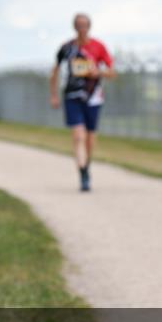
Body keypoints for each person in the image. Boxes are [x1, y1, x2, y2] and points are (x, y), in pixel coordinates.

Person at [50, 13, 116, 191]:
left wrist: (98, 73)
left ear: (89, 27)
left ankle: (87, 165)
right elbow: (55, 71)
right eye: (78, 25)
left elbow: (112, 72)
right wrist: (54, 94)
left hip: (93, 97)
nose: (82, 29)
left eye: (85, 25)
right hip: (72, 96)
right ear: (74, 27)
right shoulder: (67, 48)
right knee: (78, 135)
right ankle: (82, 172)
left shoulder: (98, 46)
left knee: (90, 137)